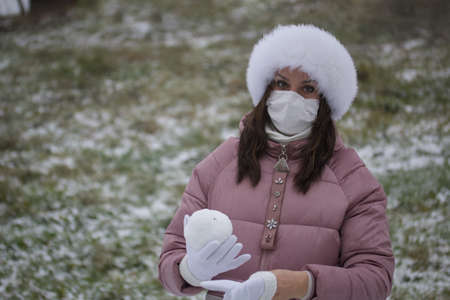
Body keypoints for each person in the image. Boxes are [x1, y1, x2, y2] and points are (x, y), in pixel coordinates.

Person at [158, 24, 395, 300]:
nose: (290, 97)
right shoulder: (219, 164)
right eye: (282, 84)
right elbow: (168, 262)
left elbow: (375, 278)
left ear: (326, 101)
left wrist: (302, 285)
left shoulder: (351, 179)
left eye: (307, 88)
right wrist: (189, 270)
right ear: (265, 89)